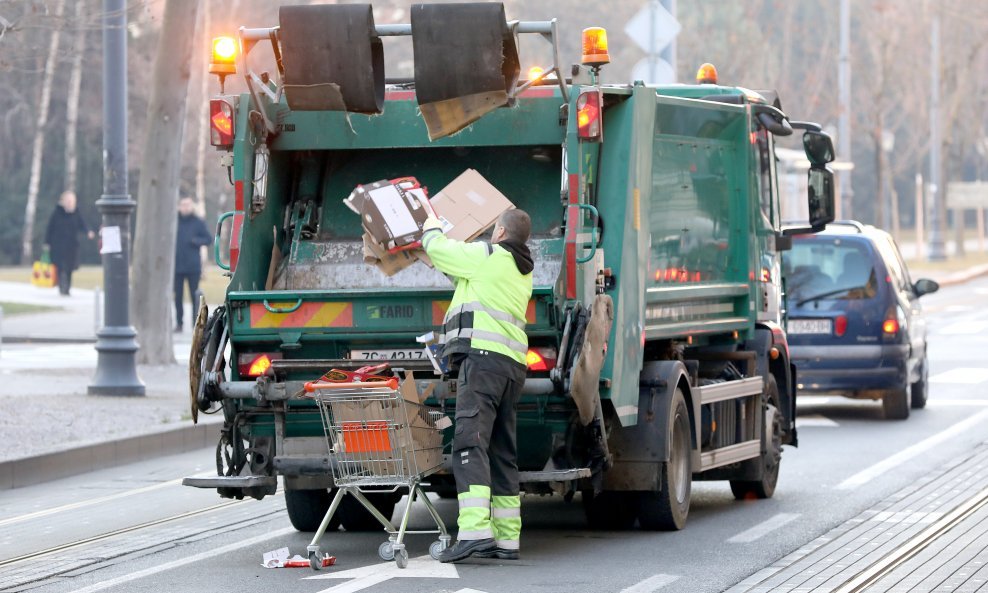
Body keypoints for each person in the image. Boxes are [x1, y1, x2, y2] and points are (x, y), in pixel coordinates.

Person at [421, 208, 534, 563]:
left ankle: (473, 531)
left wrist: (431, 229)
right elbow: (464, 279)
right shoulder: (519, 269)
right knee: (501, 451)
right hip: (510, 367)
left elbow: (440, 250)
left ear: (499, 231)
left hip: (483, 363)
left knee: (470, 443)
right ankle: (506, 539)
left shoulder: (488, 255)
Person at [44, 191, 94, 296]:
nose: (71, 203)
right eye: (69, 201)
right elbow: (50, 228)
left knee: (70, 268)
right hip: (58, 245)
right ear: (63, 201)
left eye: (72, 201)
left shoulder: (76, 212)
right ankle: (62, 286)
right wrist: (47, 243)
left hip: (72, 245)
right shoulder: (57, 212)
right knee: (60, 267)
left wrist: (88, 231)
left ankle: (67, 288)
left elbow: (82, 224)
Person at [174, 197, 213, 332]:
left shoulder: (198, 222)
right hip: (176, 266)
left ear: (192, 206)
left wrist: (195, 241)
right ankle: (179, 323)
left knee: (194, 295)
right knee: (177, 296)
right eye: (183, 205)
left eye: (188, 205)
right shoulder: (174, 222)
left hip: (193, 266)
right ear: (179, 206)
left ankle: (194, 323)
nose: (185, 207)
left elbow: (208, 239)